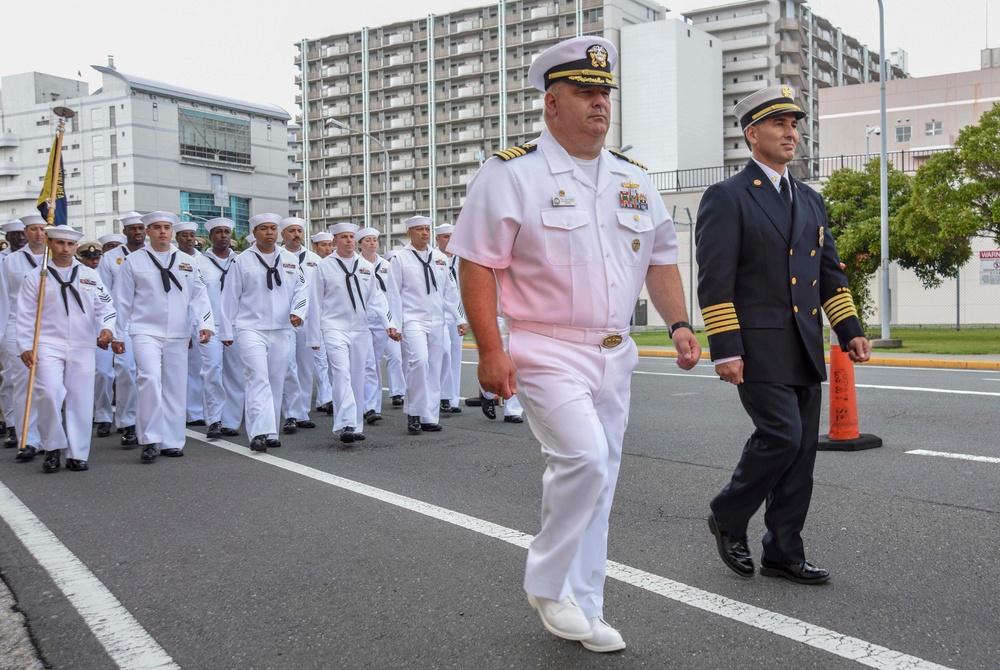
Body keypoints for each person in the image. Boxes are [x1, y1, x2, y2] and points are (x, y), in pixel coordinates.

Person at [448, 36, 701, 652]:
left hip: (615, 351)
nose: (599, 104)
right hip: (545, 346)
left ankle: (586, 606)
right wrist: (490, 348)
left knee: (603, 478)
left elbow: (662, 260)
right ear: (551, 103)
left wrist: (680, 323)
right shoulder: (512, 174)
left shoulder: (634, 178)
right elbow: (476, 263)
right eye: (585, 93)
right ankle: (547, 582)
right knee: (583, 460)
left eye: (605, 93)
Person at [696, 84, 871, 586]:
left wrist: (849, 329)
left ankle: (783, 550)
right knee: (781, 435)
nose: (791, 132)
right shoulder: (727, 197)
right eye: (779, 124)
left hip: (803, 344)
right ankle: (728, 514)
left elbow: (831, 273)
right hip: (754, 344)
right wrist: (724, 349)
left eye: (794, 124)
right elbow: (715, 278)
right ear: (753, 135)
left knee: (801, 454)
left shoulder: (811, 201)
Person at [112, 211, 214, 463]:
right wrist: (116, 334)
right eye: (156, 227)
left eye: (167, 227)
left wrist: (205, 323)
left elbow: (199, 295)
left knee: (175, 386)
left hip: (178, 332)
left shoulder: (187, 261)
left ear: (172, 231)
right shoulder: (134, 261)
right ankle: (149, 439)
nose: (162, 232)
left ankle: (172, 440)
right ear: (148, 232)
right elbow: (121, 301)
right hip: (145, 330)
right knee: (148, 379)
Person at [17, 227, 116, 473]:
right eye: (60, 243)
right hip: (47, 344)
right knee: (49, 393)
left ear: (75, 248)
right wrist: (25, 346)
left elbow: (106, 307)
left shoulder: (89, 275)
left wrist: (107, 328)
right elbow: (25, 315)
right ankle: (52, 447)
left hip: (82, 344)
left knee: (80, 399)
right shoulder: (36, 276)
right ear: (50, 243)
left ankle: (78, 453)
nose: (65, 249)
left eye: (70, 244)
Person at [219, 213, 308, 453]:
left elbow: (302, 290)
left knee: (276, 380)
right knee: (257, 378)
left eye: (273, 229)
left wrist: (298, 312)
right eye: (263, 229)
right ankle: (258, 433)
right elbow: (229, 297)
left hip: (281, 328)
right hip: (250, 328)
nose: (269, 233)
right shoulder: (241, 261)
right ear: (255, 233)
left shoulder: (289, 259)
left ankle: (271, 432)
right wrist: (226, 329)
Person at [307, 223, 398, 443]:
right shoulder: (324, 267)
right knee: (341, 373)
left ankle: (355, 425)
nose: (348, 240)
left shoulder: (365, 266)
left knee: (358, 376)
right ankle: (346, 423)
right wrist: (314, 336)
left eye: (351, 237)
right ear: (334, 242)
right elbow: (315, 303)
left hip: (359, 328)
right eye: (343, 237)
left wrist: (389, 323)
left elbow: (377, 298)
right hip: (333, 327)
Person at [385, 216, 467, 435]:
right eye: (419, 230)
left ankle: (429, 416)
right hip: (412, 320)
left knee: (434, 368)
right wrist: (394, 323)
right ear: (409, 234)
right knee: (418, 362)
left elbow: (450, 292)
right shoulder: (400, 259)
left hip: (437, 321)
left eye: (426, 229)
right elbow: (392, 293)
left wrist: (460, 318)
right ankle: (413, 412)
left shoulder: (440, 258)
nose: (424, 233)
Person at [0, 214, 48, 459]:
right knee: (23, 383)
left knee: (49, 385)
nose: (39, 233)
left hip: (51, 328)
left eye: (42, 229)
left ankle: (48, 436)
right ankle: (27, 439)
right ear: (25, 232)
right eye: (33, 229)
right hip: (17, 327)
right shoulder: (11, 261)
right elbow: (3, 299)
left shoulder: (58, 257)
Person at [98, 212, 146, 447]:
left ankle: (147, 421)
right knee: (126, 370)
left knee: (148, 374)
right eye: (133, 229)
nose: (137, 232)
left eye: (141, 228)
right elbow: (104, 295)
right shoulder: (110, 258)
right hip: (123, 322)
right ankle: (128, 423)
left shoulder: (153, 253)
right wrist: (106, 327)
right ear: (125, 232)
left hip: (150, 321)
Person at [195, 218, 244, 439]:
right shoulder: (199, 263)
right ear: (210, 237)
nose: (223, 236)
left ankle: (231, 421)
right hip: (211, 326)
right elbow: (194, 297)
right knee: (212, 371)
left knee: (235, 374)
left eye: (226, 232)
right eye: (218, 232)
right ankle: (214, 419)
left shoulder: (241, 261)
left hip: (236, 325)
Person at [279, 216, 320, 434]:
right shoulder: (277, 257)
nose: (296, 234)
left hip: (310, 319)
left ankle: (303, 412)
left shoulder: (315, 259)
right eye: (291, 231)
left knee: (306, 367)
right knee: (288, 365)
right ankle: (291, 414)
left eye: (299, 231)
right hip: (285, 319)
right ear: (283, 235)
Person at [358, 227, 405, 421]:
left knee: (395, 357)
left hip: (385, 321)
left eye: (374, 240)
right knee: (370, 364)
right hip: (363, 320)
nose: (372, 243)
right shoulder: (355, 264)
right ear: (359, 244)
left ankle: (391, 396)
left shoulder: (387, 265)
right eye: (367, 240)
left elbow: (394, 295)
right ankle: (370, 407)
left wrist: (395, 321)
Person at [78, 241, 114, 437]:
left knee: (104, 373)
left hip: (101, 331)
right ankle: (85, 413)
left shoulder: (104, 274)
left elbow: (107, 305)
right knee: (80, 376)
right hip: (79, 332)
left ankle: (104, 416)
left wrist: (106, 329)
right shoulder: (76, 274)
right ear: (81, 258)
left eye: (96, 258)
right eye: (88, 258)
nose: (93, 261)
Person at [174, 221, 206, 427]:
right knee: (176, 370)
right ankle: (178, 411)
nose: (189, 239)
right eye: (184, 235)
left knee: (197, 369)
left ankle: (194, 412)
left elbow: (204, 295)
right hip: (177, 322)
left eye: (191, 235)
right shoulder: (174, 260)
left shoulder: (204, 260)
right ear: (177, 238)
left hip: (199, 321)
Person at [0, 219, 27, 446]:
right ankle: (12, 424)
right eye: (15, 234)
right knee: (10, 377)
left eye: (22, 234)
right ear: (7, 238)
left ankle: (31, 425)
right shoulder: (4, 261)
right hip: (7, 324)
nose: (20, 238)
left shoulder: (37, 258)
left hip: (29, 325)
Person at [435, 224, 465, 415]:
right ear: (437, 239)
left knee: (456, 355)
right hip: (438, 312)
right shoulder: (432, 258)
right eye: (446, 237)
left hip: (458, 312)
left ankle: (452, 398)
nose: (450, 241)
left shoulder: (462, 261)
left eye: (452, 237)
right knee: (443, 353)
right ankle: (442, 396)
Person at [309, 231, 334, 415]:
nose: (328, 249)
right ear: (315, 246)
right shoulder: (310, 260)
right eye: (323, 245)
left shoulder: (333, 264)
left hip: (327, 318)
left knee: (325, 360)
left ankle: (326, 398)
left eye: (329, 244)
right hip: (303, 318)